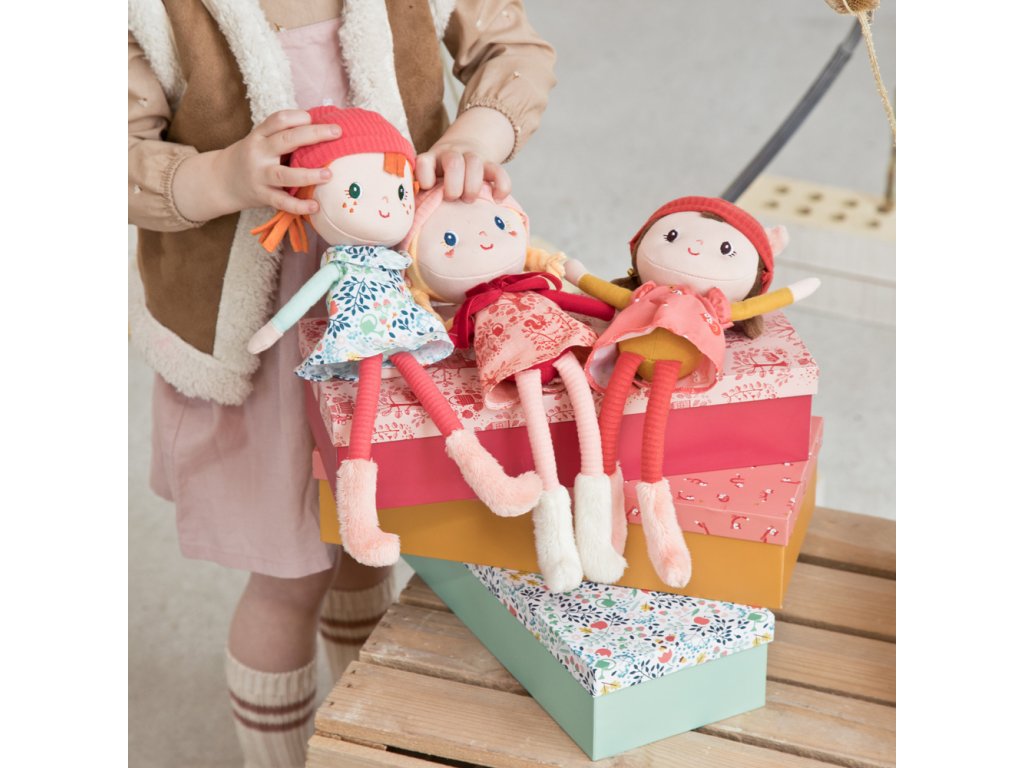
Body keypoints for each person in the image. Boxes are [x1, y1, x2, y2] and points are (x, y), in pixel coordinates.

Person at [127, 1, 556, 765]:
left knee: (368, 543)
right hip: (261, 330)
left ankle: (357, 738)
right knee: (290, 574)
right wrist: (224, 175)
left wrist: (476, 135)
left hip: (390, 304)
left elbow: (512, 48)